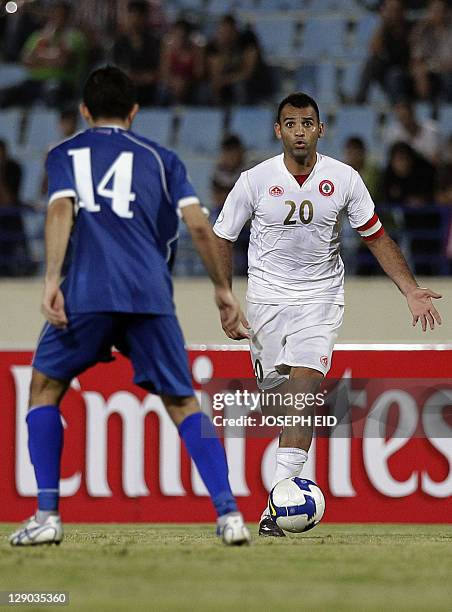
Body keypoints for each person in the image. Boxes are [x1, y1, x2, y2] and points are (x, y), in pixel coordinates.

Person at [9, 66, 250, 547]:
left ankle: (48, 515)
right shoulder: (161, 158)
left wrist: (52, 278)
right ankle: (229, 516)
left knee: (44, 387)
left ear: (83, 111)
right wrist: (223, 290)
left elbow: (60, 208)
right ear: (135, 112)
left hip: (86, 294)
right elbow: (200, 226)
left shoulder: (65, 153)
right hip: (149, 296)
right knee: (183, 403)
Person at [212, 92, 442, 537]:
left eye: (308, 123)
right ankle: (283, 493)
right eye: (291, 124)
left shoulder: (345, 178)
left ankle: (276, 507)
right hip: (266, 302)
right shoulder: (255, 181)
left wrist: (410, 289)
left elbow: (376, 236)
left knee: (303, 392)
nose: (300, 131)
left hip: (320, 300)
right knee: (284, 405)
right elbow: (223, 235)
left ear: (321, 129)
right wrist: (225, 295)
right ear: (279, 131)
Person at [0, 2, 88, 109]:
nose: (57, 19)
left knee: (53, 92)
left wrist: (39, 59)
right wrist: (51, 57)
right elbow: (26, 61)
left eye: (62, 16)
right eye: (54, 15)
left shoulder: (75, 37)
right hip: (34, 82)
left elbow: (63, 63)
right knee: (5, 95)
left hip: (60, 82)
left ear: (69, 18)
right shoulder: (39, 36)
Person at [355, 0, 411, 104]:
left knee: (394, 75)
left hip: (405, 70)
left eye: (395, 10)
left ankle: (400, 106)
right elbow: (374, 49)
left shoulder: (410, 29)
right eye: (390, 10)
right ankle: (359, 99)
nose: (393, 13)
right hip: (388, 70)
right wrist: (383, 24)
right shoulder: (385, 30)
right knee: (371, 63)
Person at [112, 0, 161, 106]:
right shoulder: (119, 43)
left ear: (145, 18)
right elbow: (118, 69)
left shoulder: (154, 42)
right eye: (133, 15)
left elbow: (158, 70)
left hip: (149, 87)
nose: (135, 20)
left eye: (139, 16)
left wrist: (146, 78)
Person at [410, 0, 452, 102]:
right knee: (418, 75)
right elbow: (416, 59)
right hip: (430, 73)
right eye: (433, 11)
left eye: (440, 10)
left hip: (447, 73)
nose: (436, 14)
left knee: (447, 79)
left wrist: (429, 66)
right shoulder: (423, 31)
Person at [383, 100, 441, 166]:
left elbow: (435, 159)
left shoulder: (432, 129)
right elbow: (394, 162)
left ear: (413, 113)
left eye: (405, 116)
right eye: (400, 118)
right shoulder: (394, 135)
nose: (404, 121)